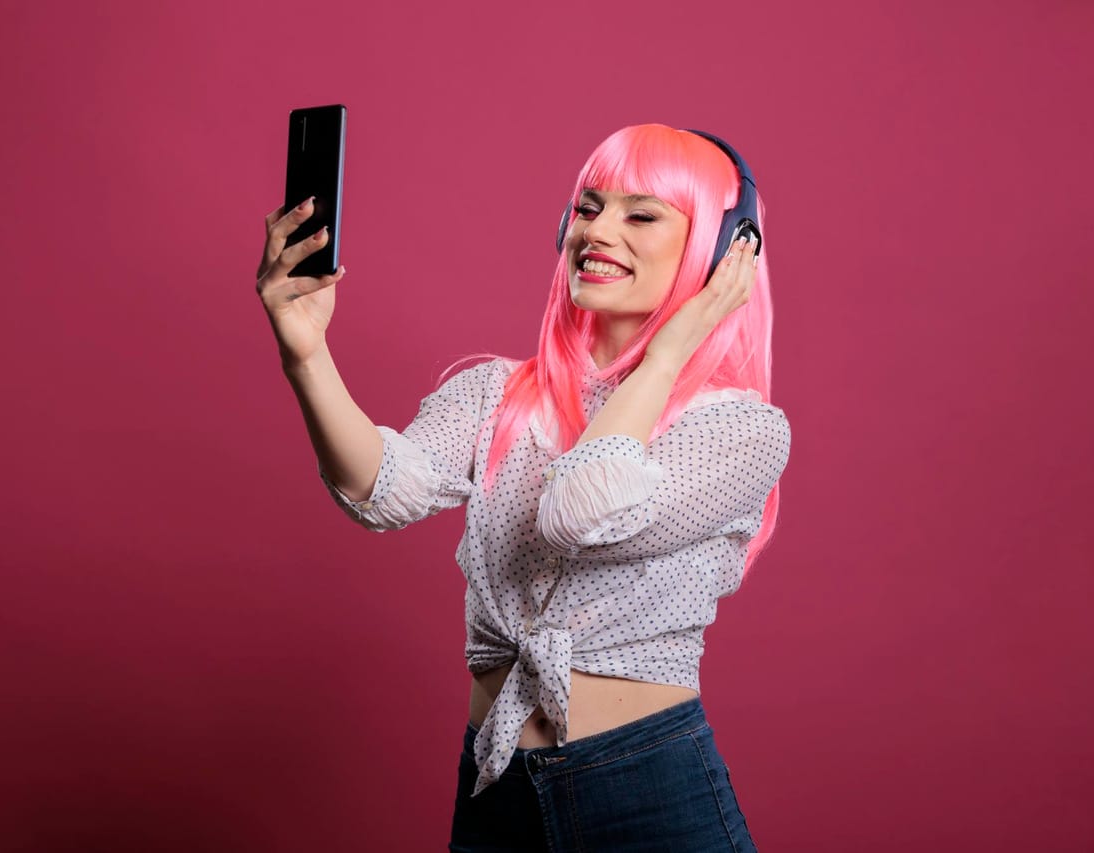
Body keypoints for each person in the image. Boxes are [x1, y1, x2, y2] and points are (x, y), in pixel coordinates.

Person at [256, 123, 791, 851]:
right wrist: (306, 354)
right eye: (589, 206)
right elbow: (379, 492)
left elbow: (583, 509)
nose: (598, 231)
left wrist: (668, 353)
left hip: (648, 788)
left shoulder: (741, 429)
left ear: (729, 250)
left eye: (641, 213)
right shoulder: (496, 394)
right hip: (494, 786)